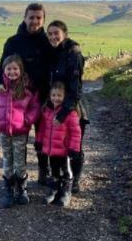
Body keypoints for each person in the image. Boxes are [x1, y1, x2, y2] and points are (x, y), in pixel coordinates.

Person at [0, 3, 52, 185]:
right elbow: (2, 68)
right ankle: (20, 177)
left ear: (43, 20)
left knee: (43, 138)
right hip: (19, 99)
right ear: (24, 18)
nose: (34, 21)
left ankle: (44, 171)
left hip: (44, 97)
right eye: (31, 17)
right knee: (20, 140)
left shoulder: (48, 42)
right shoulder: (13, 42)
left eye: (38, 18)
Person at [0, 54, 40, 209]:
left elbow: (35, 107)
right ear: (4, 70)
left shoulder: (27, 89)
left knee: (20, 162)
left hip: (20, 132)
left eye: (15, 69)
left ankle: (21, 188)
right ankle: (8, 189)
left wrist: (28, 120)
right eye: (9, 69)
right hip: (3, 132)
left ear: (21, 70)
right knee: (7, 160)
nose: (12, 72)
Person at [43, 19, 89, 193]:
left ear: (65, 33)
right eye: (50, 34)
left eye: (56, 33)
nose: (53, 37)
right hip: (54, 104)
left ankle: (75, 180)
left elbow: (75, 88)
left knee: (74, 146)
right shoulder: (52, 53)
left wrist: (63, 113)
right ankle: (60, 179)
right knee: (57, 146)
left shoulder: (74, 54)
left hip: (72, 106)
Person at [35, 81, 81, 207]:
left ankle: (66, 191)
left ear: (65, 96)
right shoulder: (47, 111)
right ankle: (54, 189)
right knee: (54, 170)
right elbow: (42, 129)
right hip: (51, 150)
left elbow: (75, 133)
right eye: (53, 95)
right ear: (50, 96)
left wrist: (73, 148)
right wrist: (39, 141)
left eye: (59, 96)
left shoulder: (70, 113)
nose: (56, 98)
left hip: (64, 150)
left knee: (66, 171)